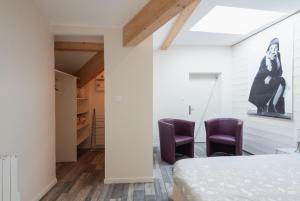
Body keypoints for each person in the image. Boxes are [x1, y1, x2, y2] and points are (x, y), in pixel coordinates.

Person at [249, 38, 286, 115]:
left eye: (276, 48)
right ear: (269, 49)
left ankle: (272, 105)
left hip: (270, 80)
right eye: (272, 48)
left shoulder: (278, 56)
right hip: (260, 84)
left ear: (278, 49)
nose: (273, 50)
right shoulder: (265, 59)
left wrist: (273, 77)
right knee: (281, 81)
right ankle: (269, 105)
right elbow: (261, 75)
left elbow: (280, 71)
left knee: (282, 81)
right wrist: (269, 76)